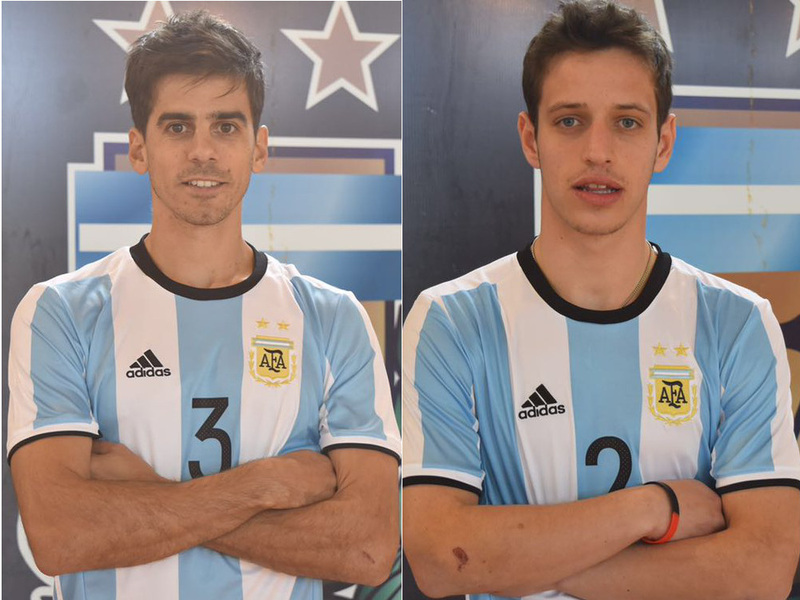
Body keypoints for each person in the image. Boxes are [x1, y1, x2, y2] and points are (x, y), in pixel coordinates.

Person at [402, 1, 800, 599]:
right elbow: (437, 560)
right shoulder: (453, 319)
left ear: (664, 142)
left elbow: (763, 569)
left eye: (627, 122)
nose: (598, 151)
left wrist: (507, 560)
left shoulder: (738, 322)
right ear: (530, 137)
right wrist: (654, 507)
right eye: (569, 121)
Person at [7, 10, 400, 600]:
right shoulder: (60, 311)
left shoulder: (333, 317)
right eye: (176, 127)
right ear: (138, 148)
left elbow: (368, 549)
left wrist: (148, 493)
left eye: (225, 126)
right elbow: (61, 535)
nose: (202, 152)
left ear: (258, 147)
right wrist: (264, 485)